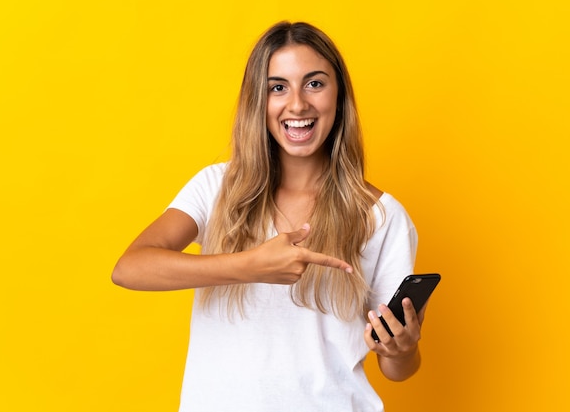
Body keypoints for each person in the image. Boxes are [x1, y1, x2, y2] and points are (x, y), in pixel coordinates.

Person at [113, 21, 426, 412]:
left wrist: (402, 348)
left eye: (314, 83)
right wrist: (250, 266)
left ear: (339, 96)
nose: (297, 104)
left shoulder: (381, 216)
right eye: (277, 87)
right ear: (257, 101)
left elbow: (398, 369)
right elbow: (130, 268)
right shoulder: (216, 187)